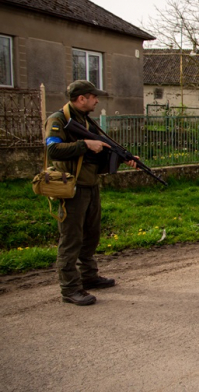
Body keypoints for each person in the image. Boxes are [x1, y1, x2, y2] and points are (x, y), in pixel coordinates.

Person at [45, 80, 138, 305]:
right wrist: (85, 145)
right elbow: (53, 149)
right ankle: (70, 289)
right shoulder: (59, 120)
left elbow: (100, 150)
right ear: (81, 98)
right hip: (71, 188)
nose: (97, 101)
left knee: (91, 234)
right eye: (93, 97)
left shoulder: (85, 121)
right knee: (71, 239)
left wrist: (125, 158)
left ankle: (88, 276)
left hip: (90, 185)